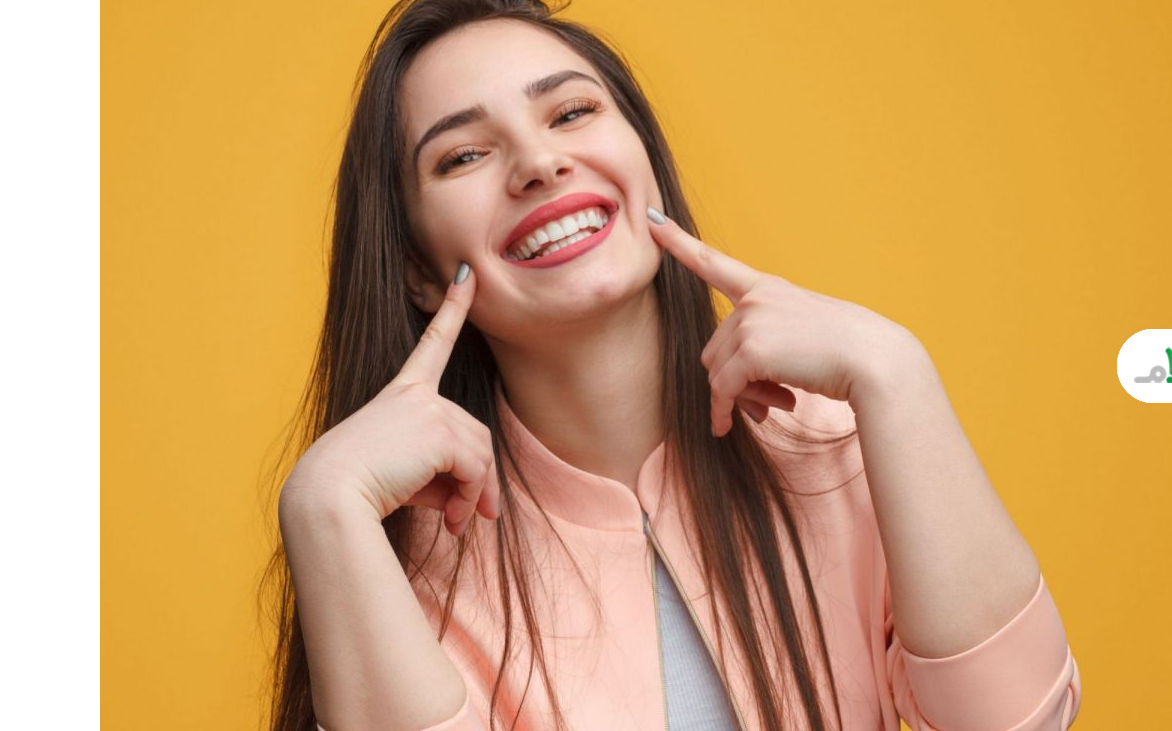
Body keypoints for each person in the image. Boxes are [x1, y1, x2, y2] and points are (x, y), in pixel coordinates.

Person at [261, 1, 1083, 729]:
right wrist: (322, 507)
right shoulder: (404, 564)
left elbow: (1015, 722)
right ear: (416, 267)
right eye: (464, 156)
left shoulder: (839, 443)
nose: (539, 162)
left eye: (572, 112)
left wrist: (896, 370)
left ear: (644, 160)